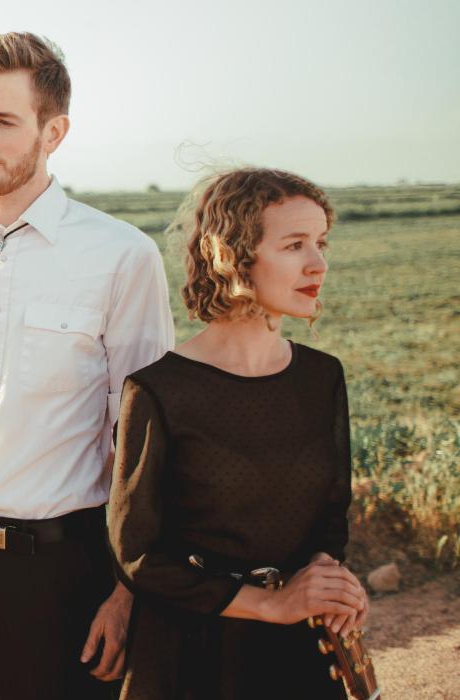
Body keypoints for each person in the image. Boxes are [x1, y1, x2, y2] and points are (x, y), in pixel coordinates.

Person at [0, 32, 176, 699]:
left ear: (54, 132)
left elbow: (144, 448)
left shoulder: (121, 258)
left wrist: (128, 596)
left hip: (64, 578)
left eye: (4, 122)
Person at [109, 168, 368, 699]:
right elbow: (138, 555)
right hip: (192, 655)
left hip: (299, 653)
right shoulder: (159, 390)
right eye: (295, 244)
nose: (318, 263)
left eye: (320, 242)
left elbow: (329, 521)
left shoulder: (322, 378)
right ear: (235, 253)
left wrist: (330, 580)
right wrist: (271, 603)